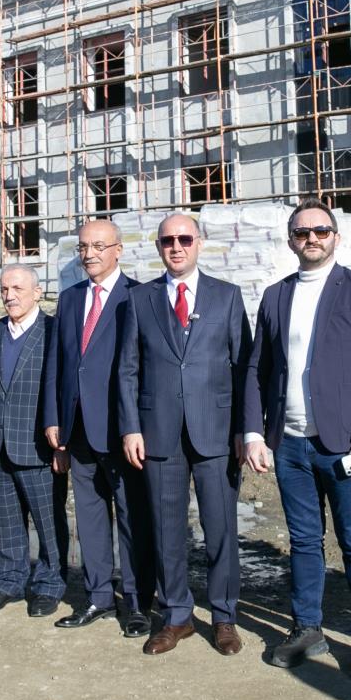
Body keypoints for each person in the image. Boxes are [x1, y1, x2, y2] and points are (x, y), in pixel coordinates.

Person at [241, 197, 351, 680]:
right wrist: (254, 432)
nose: (312, 238)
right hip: (289, 444)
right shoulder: (276, 296)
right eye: (302, 232)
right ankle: (308, 628)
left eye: (320, 231)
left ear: (335, 237)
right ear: (291, 240)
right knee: (304, 541)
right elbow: (257, 370)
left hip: (343, 444)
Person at [117, 213, 252, 656]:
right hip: (158, 433)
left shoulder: (226, 297)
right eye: (167, 241)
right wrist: (131, 427)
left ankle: (224, 616)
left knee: (221, 527)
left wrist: (245, 430)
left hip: (215, 432)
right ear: (158, 246)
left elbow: (244, 368)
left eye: (184, 239)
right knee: (165, 529)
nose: (176, 247)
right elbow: (128, 369)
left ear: (199, 243)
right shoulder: (139, 300)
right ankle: (176, 615)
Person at [40, 218, 153, 637]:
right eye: (84, 247)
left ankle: (138, 602)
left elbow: (143, 369)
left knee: (131, 518)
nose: (89, 254)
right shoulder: (70, 299)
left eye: (99, 246)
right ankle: (99, 597)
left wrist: (136, 426)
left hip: (122, 431)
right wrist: (53, 418)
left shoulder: (138, 297)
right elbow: (58, 362)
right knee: (89, 517)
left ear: (118, 250)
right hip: (78, 428)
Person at [0, 265, 66, 617]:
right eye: (5, 289)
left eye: (18, 288)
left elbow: (63, 391)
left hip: (38, 447)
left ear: (37, 293)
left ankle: (49, 584)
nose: (10, 296)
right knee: (7, 522)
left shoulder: (53, 332)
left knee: (48, 523)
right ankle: (9, 581)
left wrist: (62, 445)